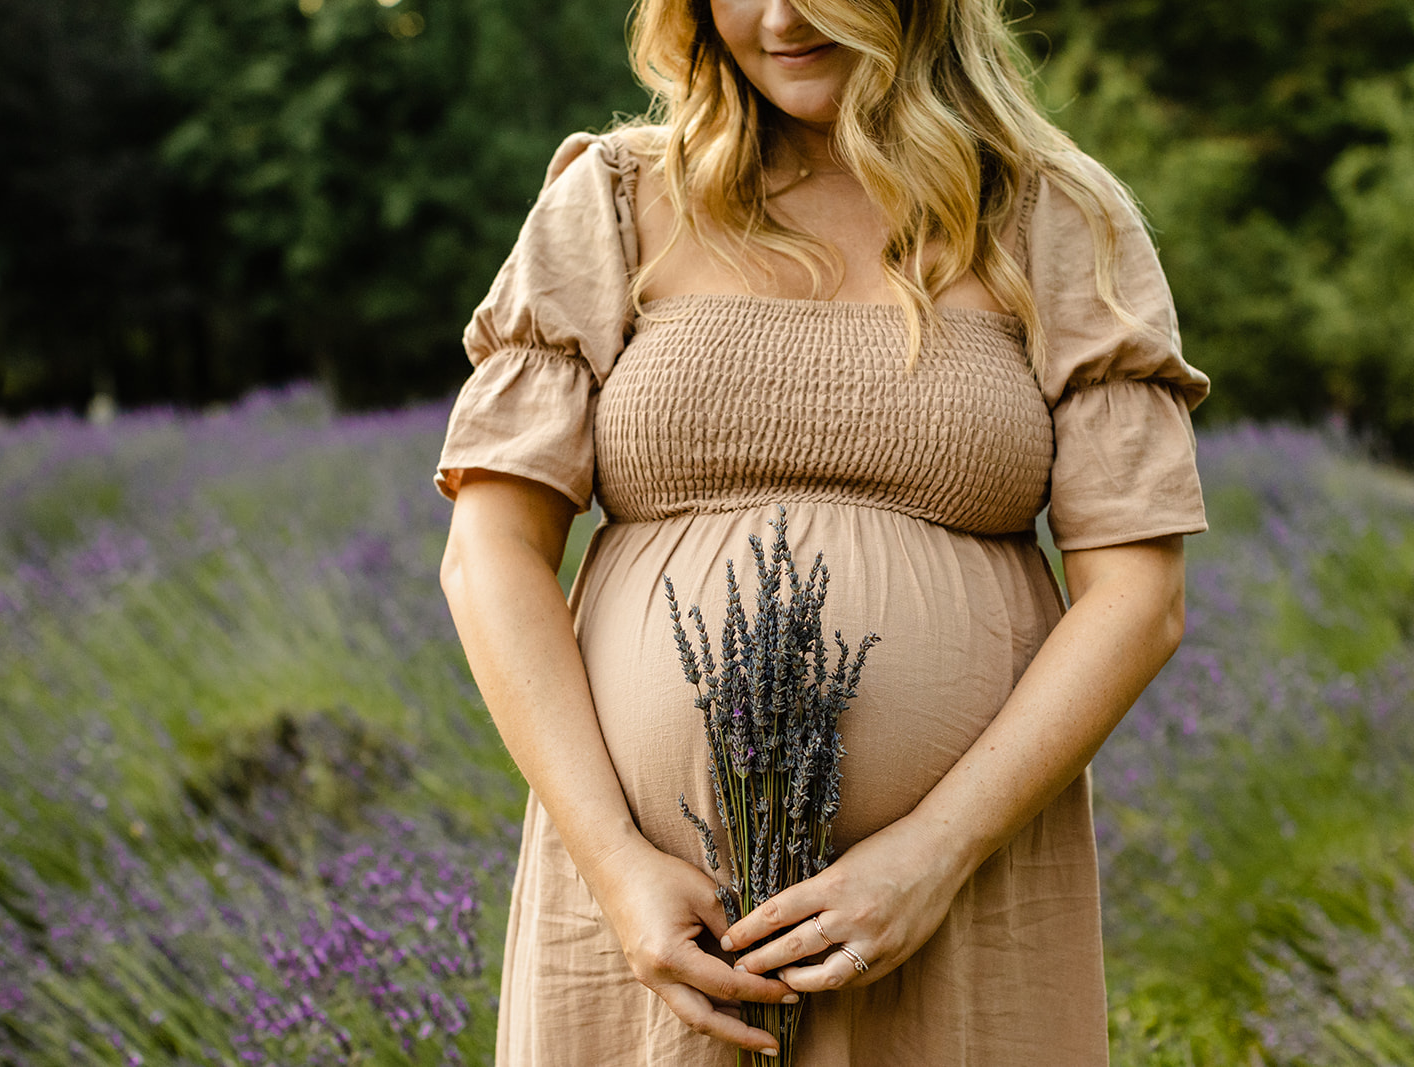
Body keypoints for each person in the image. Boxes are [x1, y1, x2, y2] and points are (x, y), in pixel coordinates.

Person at [436, 0, 1208, 1062]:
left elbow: (1138, 598)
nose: (783, 15)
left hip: (957, 900)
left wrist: (930, 856)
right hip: (658, 924)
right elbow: (490, 552)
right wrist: (616, 864)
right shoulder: (616, 201)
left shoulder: (1050, 217)